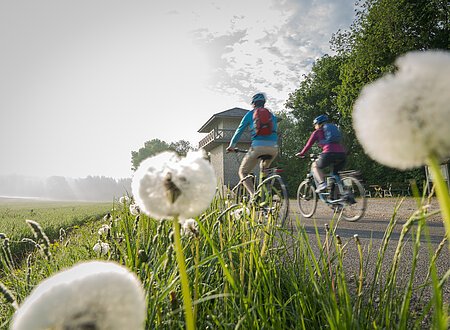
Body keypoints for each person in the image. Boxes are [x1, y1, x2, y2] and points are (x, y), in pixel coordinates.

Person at [226, 93, 278, 197]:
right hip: (273, 148)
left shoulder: (250, 114)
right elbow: (275, 130)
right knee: (264, 169)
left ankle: (254, 195)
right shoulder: (271, 115)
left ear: (253, 104)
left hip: (257, 147)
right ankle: (266, 195)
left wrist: (232, 146)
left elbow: (239, 131)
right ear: (264, 103)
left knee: (243, 172)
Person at [295, 114, 346, 193]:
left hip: (329, 152)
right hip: (342, 154)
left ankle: (322, 184)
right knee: (335, 175)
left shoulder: (317, 132)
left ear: (318, 124)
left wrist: (301, 153)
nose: (314, 126)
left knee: (314, 165)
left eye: (315, 125)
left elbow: (308, 145)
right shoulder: (332, 130)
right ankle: (341, 196)